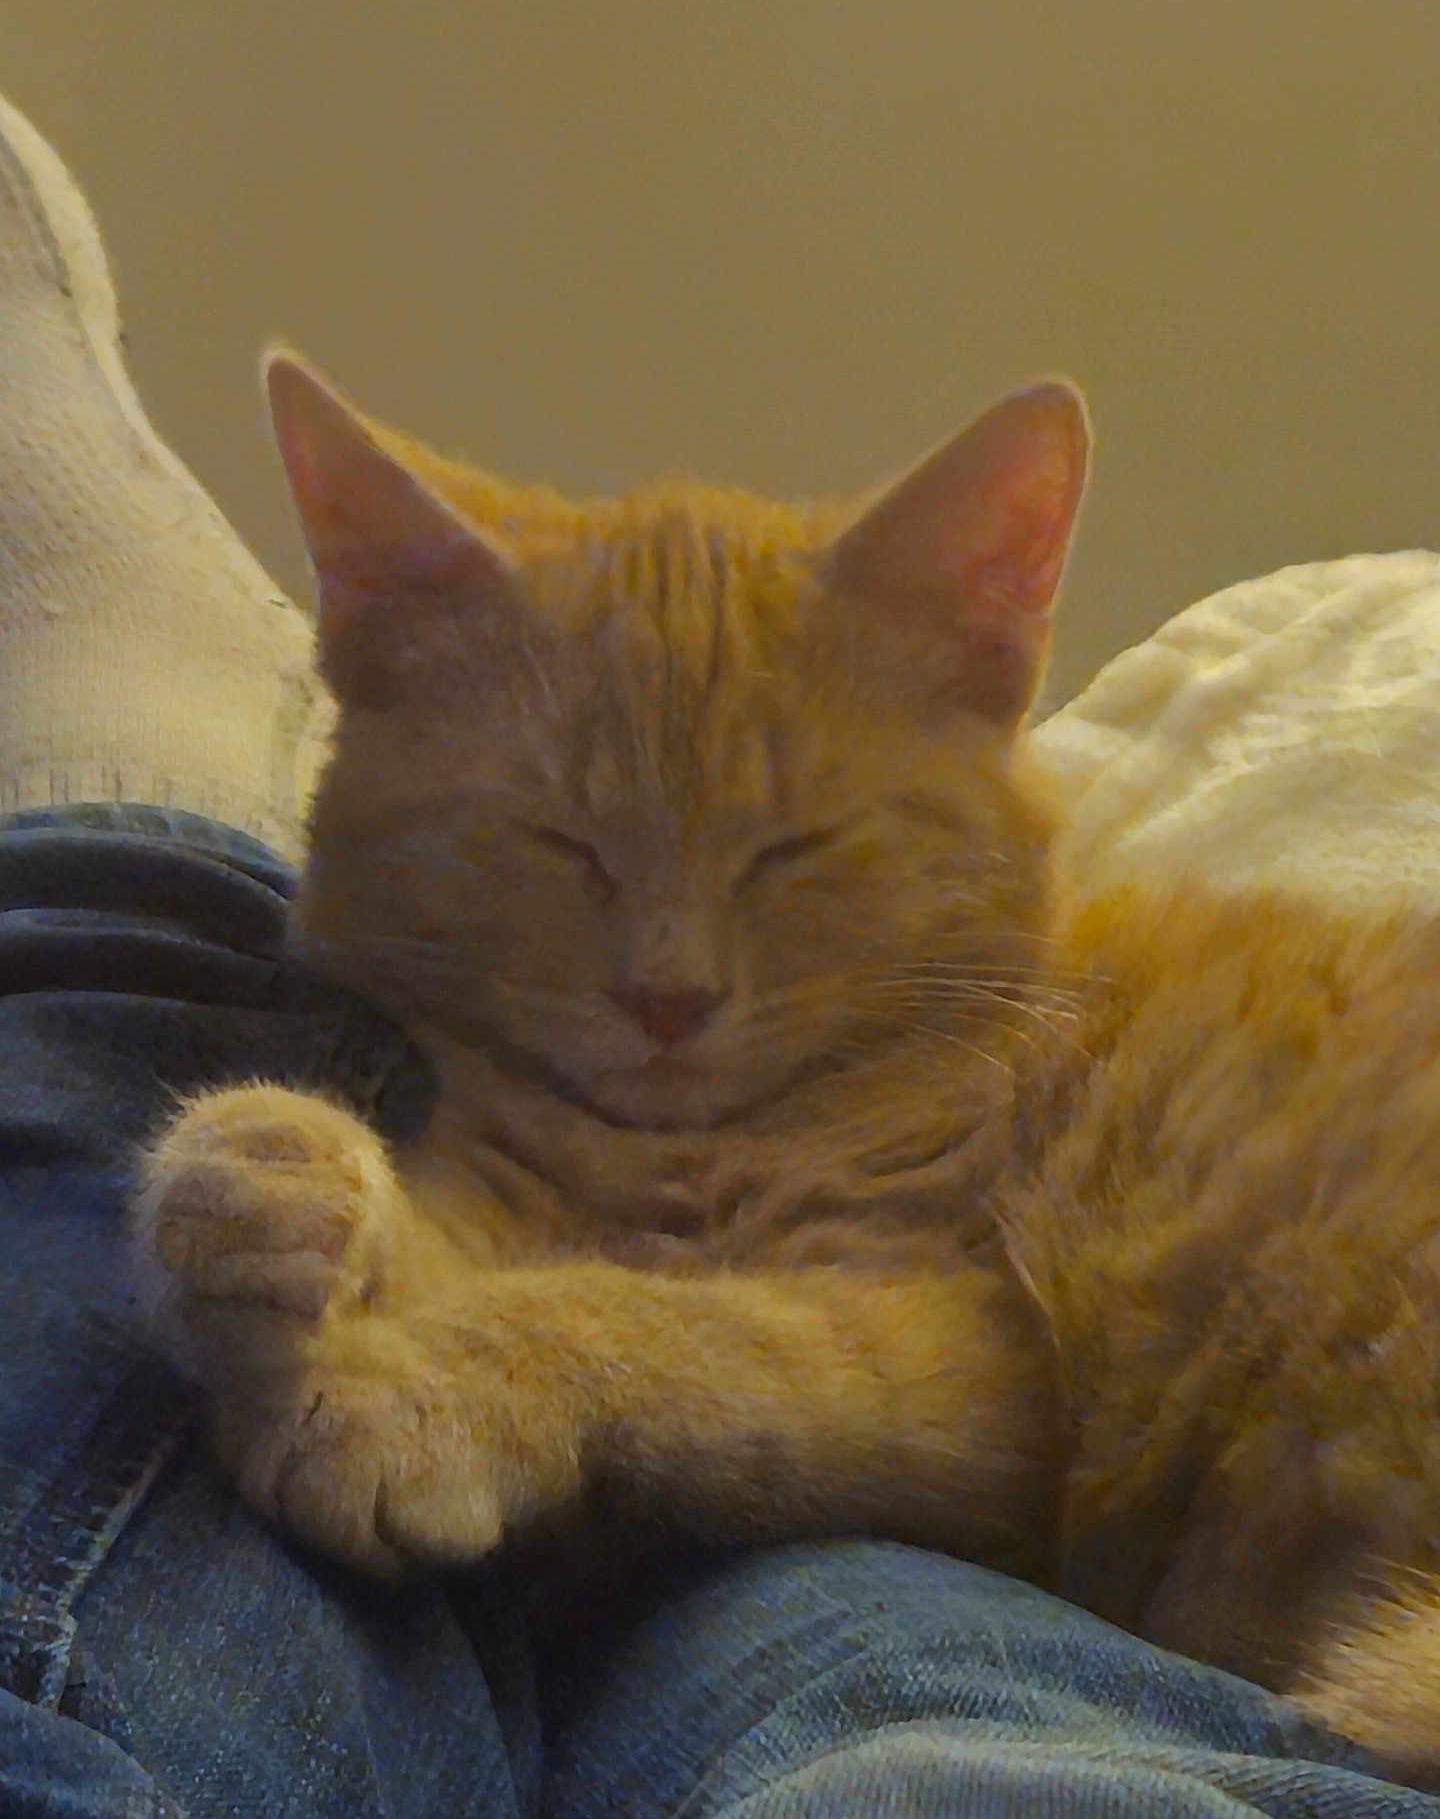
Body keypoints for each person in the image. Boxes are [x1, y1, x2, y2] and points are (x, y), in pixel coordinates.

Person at [1, 90, 1435, 1819]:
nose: (669, 976)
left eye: (800, 863)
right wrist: (318, 1216)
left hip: (1325, 1335)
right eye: (556, 858)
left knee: (109, 1052)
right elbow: (528, 1257)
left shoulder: (966, 1052)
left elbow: (958, 1394)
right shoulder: (539, 1073)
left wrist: (535, 1361)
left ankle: (115, 842)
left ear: (994, 654)